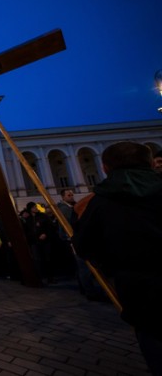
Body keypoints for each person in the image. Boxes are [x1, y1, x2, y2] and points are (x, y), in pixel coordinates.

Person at [73, 142, 162, 375]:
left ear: (104, 168)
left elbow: (83, 246)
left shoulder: (99, 202)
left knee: (154, 341)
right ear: (152, 164)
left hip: (138, 285)